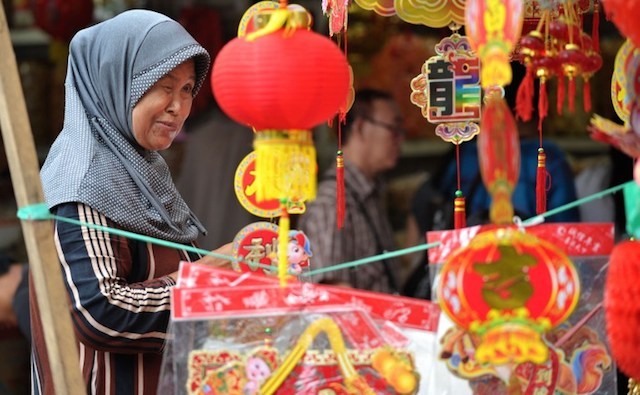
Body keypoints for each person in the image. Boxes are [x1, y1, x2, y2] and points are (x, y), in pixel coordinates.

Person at [36, 10, 231, 394]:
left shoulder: (137, 169)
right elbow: (100, 312)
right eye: (164, 85)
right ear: (115, 81)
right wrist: (207, 275)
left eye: (188, 89)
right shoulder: (83, 177)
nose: (178, 106)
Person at [298, 88, 404, 294]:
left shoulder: (369, 191)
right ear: (360, 127)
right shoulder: (331, 202)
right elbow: (330, 290)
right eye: (393, 128)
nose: (400, 139)